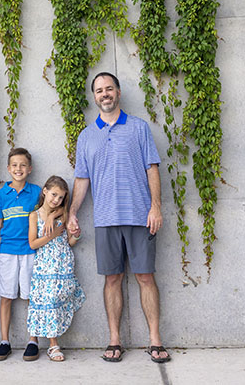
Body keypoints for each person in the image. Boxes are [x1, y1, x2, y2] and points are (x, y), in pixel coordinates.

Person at [67, 72, 171, 363]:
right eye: (99, 90)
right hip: (105, 219)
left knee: (145, 277)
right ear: (95, 96)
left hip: (140, 217)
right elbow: (82, 179)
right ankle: (114, 339)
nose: (104, 94)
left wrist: (156, 207)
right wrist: (72, 212)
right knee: (112, 279)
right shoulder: (86, 136)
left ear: (119, 92)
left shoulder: (139, 128)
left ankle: (155, 340)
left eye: (109, 88)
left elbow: (152, 169)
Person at [0, 148, 41, 362]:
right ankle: (5, 342)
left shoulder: (38, 192)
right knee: (6, 297)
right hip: (8, 252)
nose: (18, 169)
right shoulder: (2, 195)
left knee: (31, 297)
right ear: (8, 169)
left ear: (29, 169)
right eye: (14, 165)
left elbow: (49, 212)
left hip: (31, 250)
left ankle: (33, 341)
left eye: (22, 165)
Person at [26, 176, 85, 362]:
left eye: (60, 197)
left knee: (58, 300)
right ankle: (53, 345)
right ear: (44, 191)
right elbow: (33, 243)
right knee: (48, 300)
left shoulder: (63, 214)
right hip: (45, 265)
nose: (56, 200)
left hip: (63, 264)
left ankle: (52, 342)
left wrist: (76, 235)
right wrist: (52, 234)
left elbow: (69, 242)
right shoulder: (34, 215)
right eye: (53, 195)